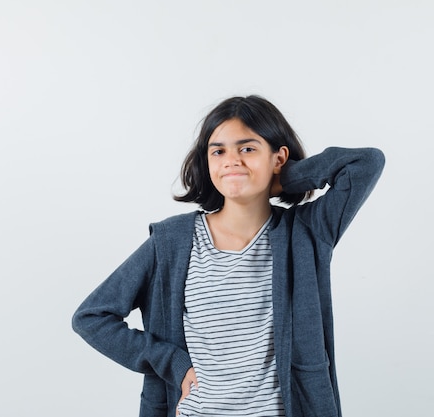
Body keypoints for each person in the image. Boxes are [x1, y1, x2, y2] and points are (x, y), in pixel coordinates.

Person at [72, 95, 385, 417]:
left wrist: (286, 177)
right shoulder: (171, 242)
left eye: (247, 149)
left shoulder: (307, 232)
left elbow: (367, 162)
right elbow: (91, 317)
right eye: (218, 151)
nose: (231, 160)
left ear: (279, 158)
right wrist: (171, 363)